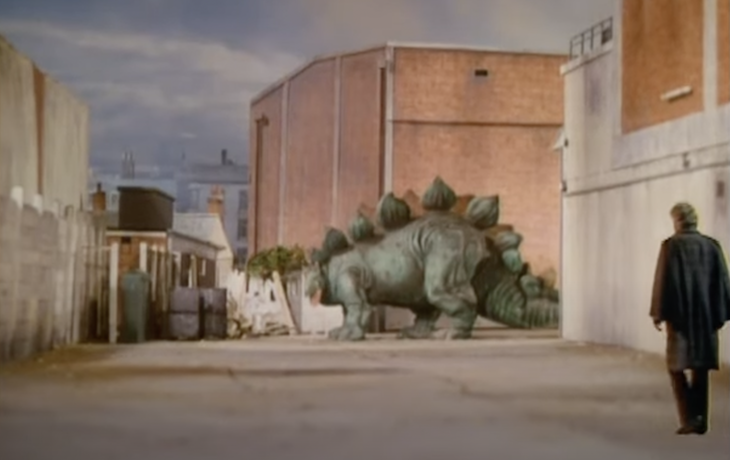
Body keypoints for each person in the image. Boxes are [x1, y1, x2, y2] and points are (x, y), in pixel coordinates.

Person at [650, 202, 730, 435]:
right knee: (700, 369)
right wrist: (720, 315)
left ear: (677, 220)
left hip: (680, 320)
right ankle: (701, 419)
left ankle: (688, 417)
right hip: (705, 319)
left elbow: (662, 281)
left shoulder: (671, 246)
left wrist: (658, 313)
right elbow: (723, 285)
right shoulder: (711, 246)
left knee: (675, 367)